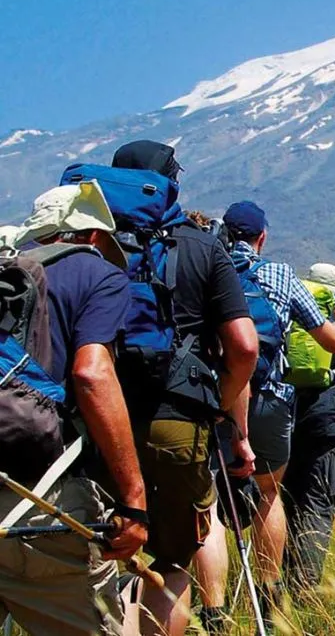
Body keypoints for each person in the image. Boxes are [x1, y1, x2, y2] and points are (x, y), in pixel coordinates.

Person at [102, 141, 260, 636]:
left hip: (98, 421)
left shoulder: (89, 239)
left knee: (104, 558)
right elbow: (243, 346)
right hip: (177, 418)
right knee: (170, 561)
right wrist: (218, 405)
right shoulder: (201, 245)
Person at [0, 182, 147, 635]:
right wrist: (134, 501)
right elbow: (91, 374)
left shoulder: (7, 270)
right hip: (41, 494)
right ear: (94, 236)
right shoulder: (96, 272)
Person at [219, 202, 335, 620]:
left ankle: (216, 608)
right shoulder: (279, 275)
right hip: (271, 399)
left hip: (217, 399)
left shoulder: (208, 267)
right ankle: (269, 595)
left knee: (213, 503)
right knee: (268, 493)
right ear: (262, 237)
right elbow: (331, 341)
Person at [283, 263, 335, 592]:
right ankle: (304, 590)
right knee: (318, 504)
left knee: (284, 501)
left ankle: (275, 586)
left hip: (285, 414)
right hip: (327, 421)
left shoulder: (290, 305)